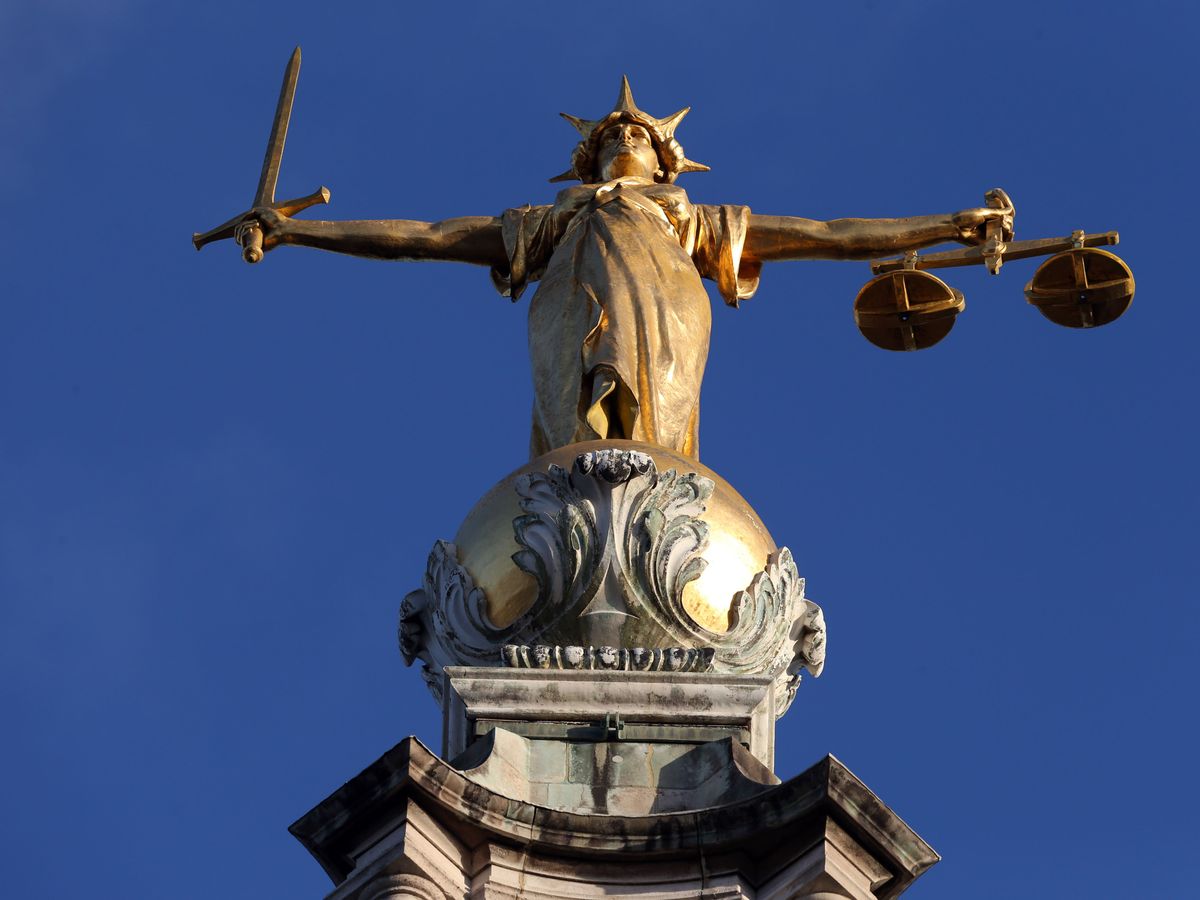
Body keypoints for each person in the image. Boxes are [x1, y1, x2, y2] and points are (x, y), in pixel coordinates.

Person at [244, 78, 1012, 460]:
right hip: (569, 310)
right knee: (576, 440)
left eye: (637, 135)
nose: (622, 139)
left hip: (667, 311)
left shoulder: (686, 217)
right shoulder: (555, 218)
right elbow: (429, 237)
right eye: (610, 136)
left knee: (653, 448)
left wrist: (949, 224)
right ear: (587, 160)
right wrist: (298, 233)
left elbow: (826, 233)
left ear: (665, 159)